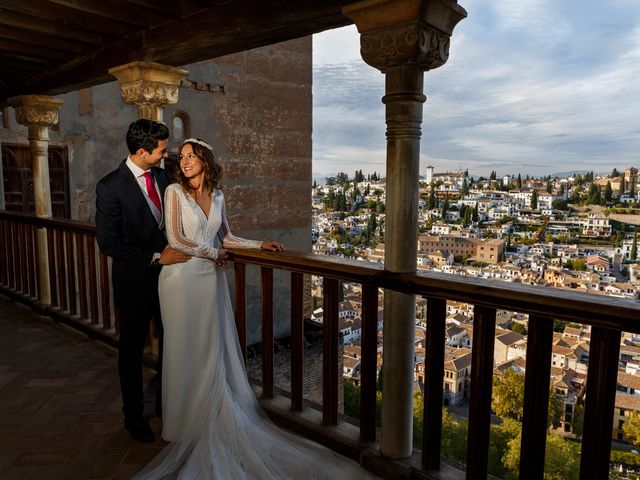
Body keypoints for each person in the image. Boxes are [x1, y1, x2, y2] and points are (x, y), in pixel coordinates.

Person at [134, 138, 375, 479]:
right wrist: (215, 254)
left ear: (205, 160)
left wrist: (258, 244)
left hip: (208, 282)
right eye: (182, 157)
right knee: (182, 350)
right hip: (180, 280)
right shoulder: (175, 192)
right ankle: (182, 423)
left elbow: (227, 237)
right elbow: (177, 240)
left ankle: (209, 413)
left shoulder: (218, 196)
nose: (185, 162)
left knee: (209, 351)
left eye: (192, 156)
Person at [95, 119, 191, 443]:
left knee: (171, 342)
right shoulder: (109, 187)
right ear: (142, 151)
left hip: (168, 280)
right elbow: (108, 242)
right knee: (131, 350)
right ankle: (133, 417)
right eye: (162, 151)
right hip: (133, 282)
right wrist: (154, 258)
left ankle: (167, 405)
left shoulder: (163, 176)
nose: (167, 155)